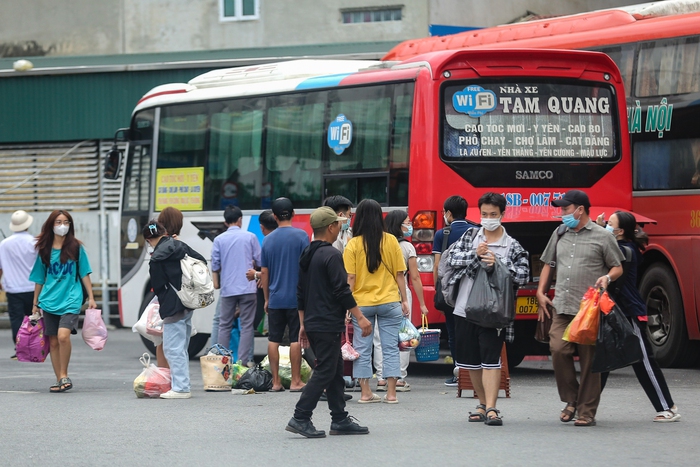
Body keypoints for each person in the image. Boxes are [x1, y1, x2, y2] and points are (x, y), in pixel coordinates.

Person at [536, 190, 624, 427]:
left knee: (589, 362)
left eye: (565, 209)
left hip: (589, 309)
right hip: (562, 306)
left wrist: (607, 277)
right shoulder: (560, 232)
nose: (562, 213)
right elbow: (549, 264)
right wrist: (540, 292)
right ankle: (571, 399)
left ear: (580, 210)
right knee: (558, 348)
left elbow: (617, 267)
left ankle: (586, 412)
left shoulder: (603, 237)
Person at [286, 207, 373, 438]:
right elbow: (341, 290)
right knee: (326, 370)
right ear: (331, 227)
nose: (340, 227)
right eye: (338, 224)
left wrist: (303, 323)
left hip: (314, 321)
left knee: (334, 369)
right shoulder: (332, 255)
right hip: (326, 321)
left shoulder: (309, 253)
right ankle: (301, 416)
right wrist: (360, 317)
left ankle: (340, 418)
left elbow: (300, 292)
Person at [448, 193, 530, 425]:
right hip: (465, 308)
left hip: (494, 313)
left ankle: (492, 408)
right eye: (484, 214)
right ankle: (482, 404)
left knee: (491, 359)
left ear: (502, 214)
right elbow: (452, 259)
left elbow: (524, 275)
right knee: (472, 362)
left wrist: (500, 265)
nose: (488, 218)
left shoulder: (511, 245)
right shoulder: (470, 236)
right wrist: (476, 255)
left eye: (493, 215)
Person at [598, 211, 681, 422]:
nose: (607, 225)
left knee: (643, 360)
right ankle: (585, 407)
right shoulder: (619, 246)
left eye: (610, 224)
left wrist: (598, 232)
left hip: (629, 312)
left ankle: (666, 407)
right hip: (613, 311)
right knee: (603, 359)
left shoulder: (627, 250)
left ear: (620, 231)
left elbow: (608, 256)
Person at [343, 199, 409, 404]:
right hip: (390, 301)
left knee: (362, 348)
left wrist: (348, 306)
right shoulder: (391, 241)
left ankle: (365, 393)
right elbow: (400, 274)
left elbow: (350, 278)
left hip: (361, 304)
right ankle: (391, 394)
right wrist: (404, 300)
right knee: (390, 347)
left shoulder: (353, 244)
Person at [29, 210, 96, 393]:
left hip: (71, 299)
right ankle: (59, 378)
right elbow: (39, 278)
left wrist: (91, 297)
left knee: (63, 336)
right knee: (53, 341)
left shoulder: (76, 248)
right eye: (58, 222)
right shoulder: (45, 250)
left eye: (66, 222)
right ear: (51, 225)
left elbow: (84, 272)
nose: (62, 225)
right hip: (49, 300)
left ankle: (64, 374)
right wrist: (35, 303)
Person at [143, 219, 207, 399]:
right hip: (188, 302)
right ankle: (182, 383)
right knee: (181, 346)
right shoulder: (180, 245)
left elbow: (157, 285)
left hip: (173, 305)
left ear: (150, 239)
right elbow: (202, 261)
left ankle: (181, 388)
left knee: (172, 348)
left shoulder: (156, 258)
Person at [374, 210, 430, 392]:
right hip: (400, 293)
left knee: (379, 336)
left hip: (377, 292)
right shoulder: (407, 247)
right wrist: (422, 303)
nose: (410, 226)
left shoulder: (376, 243)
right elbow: (414, 277)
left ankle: (382, 377)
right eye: (407, 222)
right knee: (404, 335)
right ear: (399, 225)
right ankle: (398, 378)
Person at [261, 198, 309, 392]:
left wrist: (266, 299)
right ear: (293, 213)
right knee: (295, 339)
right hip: (296, 299)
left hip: (275, 298)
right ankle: (296, 381)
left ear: (274, 216)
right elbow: (306, 268)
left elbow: (264, 272)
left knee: (274, 339)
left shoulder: (267, 239)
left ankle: (275, 382)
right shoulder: (302, 236)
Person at [432, 195, 475, 386]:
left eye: (443, 212)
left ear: (448, 213)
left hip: (451, 291)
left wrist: (437, 291)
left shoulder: (442, 234)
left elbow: (437, 267)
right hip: (473, 290)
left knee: (453, 332)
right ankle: (474, 371)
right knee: (472, 331)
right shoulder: (477, 231)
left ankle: (459, 373)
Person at [212, 206, 261, 366]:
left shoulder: (219, 240)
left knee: (224, 325)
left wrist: (217, 283)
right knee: (247, 326)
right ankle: (242, 363)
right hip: (247, 287)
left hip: (228, 289)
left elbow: (216, 265)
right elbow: (260, 261)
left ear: (225, 222)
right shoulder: (250, 237)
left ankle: (222, 363)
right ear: (240, 220)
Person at [0, 210, 37, 359]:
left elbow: (0, 267)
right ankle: (35, 347)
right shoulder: (35, 242)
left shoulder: (4, 244)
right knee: (34, 318)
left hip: (13, 288)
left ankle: (19, 350)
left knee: (16, 319)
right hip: (33, 287)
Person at [154, 206, 185, 368]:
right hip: (175, 297)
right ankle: (168, 377)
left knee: (162, 339)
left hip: (165, 295)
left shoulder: (161, 242)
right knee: (173, 341)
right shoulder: (175, 243)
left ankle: (163, 376)